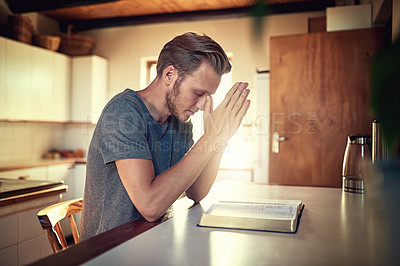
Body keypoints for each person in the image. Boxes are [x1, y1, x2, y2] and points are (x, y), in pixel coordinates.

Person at [80, 32, 250, 240]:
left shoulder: (180, 122)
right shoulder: (124, 112)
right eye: (198, 93)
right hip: (108, 250)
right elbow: (150, 206)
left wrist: (219, 139)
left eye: (208, 96)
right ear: (170, 75)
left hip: (152, 240)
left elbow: (196, 192)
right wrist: (211, 138)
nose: (203, 105)